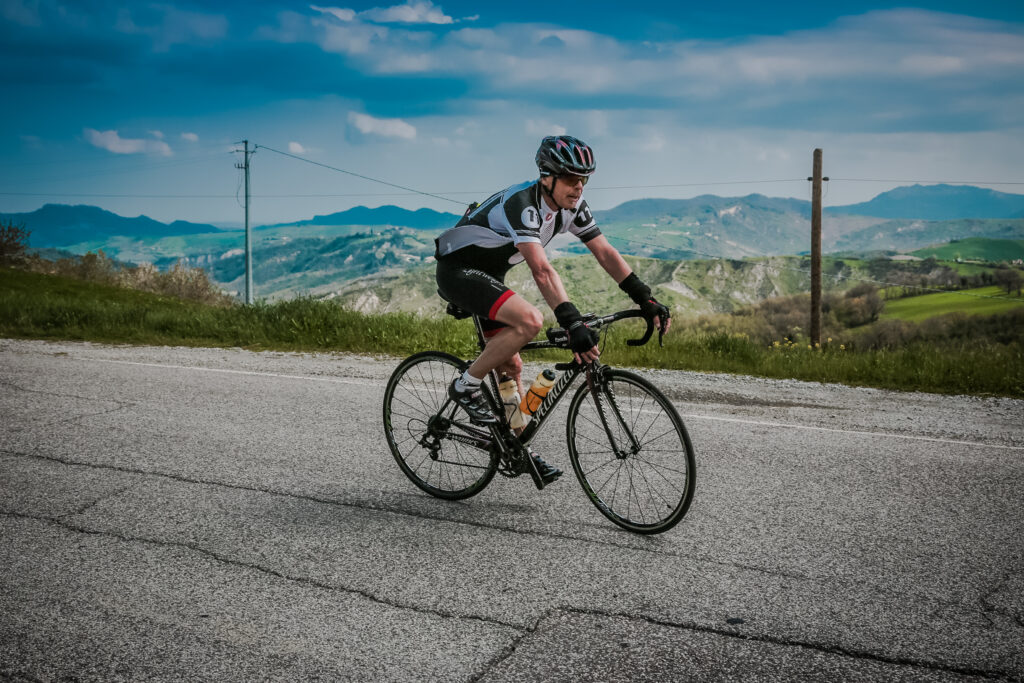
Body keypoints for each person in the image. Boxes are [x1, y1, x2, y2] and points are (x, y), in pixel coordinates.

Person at [434, 135, 670, 483]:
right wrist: (571, 321)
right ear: (547, 176)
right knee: (530, 321)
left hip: (489, 274)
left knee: (511, 363)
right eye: (572, 179)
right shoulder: (523, 204)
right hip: (458, 271)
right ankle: (466, 385)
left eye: (584, 179)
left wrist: (644, 298)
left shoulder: (573, 206)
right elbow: (541, 270)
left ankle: (513, 444)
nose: (579, 187)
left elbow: (604, 252)